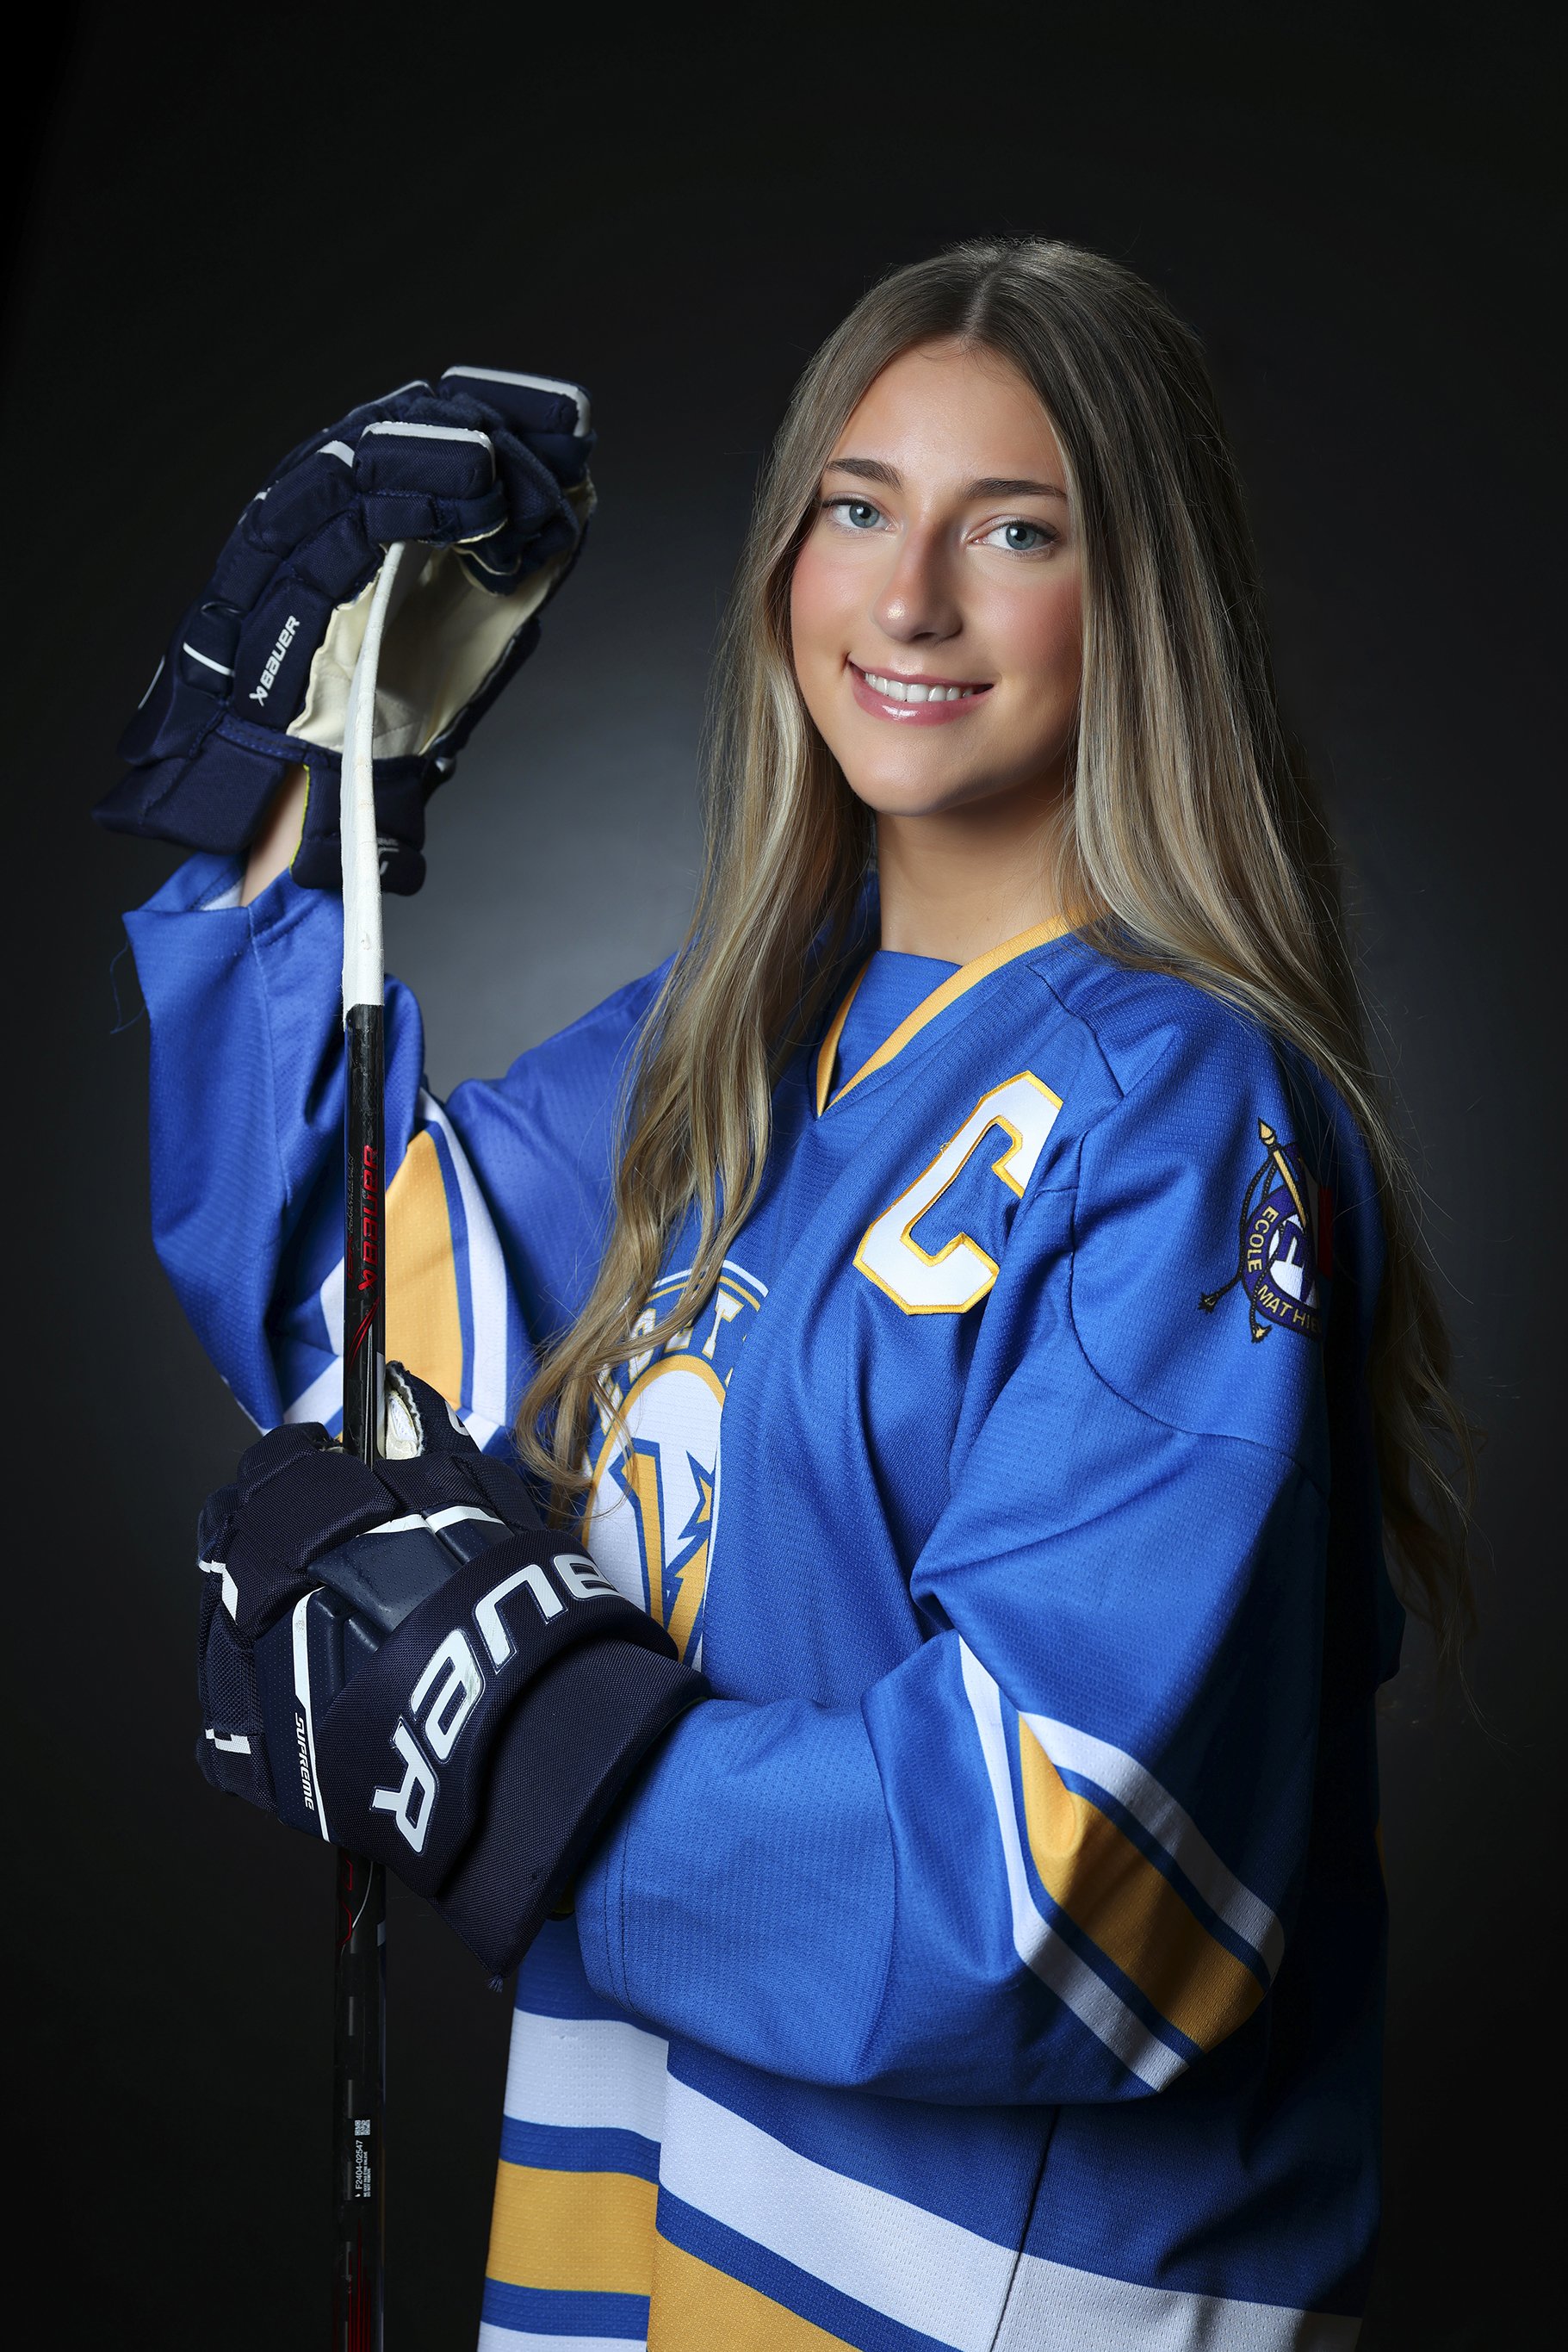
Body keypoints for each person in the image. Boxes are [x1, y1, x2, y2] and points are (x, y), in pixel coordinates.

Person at [109, 241, 1472, 2349]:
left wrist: (513, 1752)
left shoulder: (1183, 1114)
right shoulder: (729, 1043)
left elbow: (1054, 1887)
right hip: (635, 2249)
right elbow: (348, 1328)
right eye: (855, 507)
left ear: (1139, 607)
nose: (906, 598)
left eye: (1009, 529)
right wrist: (288, 812)